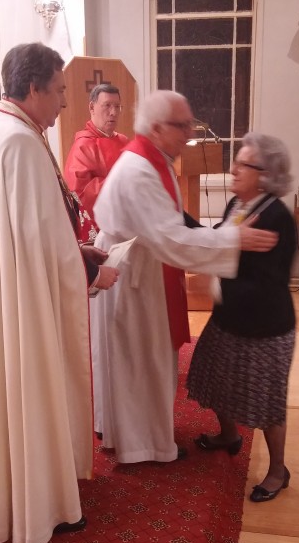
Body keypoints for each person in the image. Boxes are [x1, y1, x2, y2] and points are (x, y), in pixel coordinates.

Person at [0, 42, 118, 543]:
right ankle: (41, 508)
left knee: (10, 394)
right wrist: (90, 272)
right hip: (27, 300)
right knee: (34, 390)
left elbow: (30, 231)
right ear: (33, 88)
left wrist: (76, 250)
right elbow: (41, 243)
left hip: (8, 291)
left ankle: (12, 499)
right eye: (57, 91)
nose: (63, 102)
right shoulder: (22, 143)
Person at [90, 90, 279, 465]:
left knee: (139, 361)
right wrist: (232, 239)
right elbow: (170, 238)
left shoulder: (152, 158)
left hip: (141, 264)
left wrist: (218, 236)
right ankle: (143, 445)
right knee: (141, 363)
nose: (189, 133)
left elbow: (173, 222)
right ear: (157, 128)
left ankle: (132, 435)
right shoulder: (141, 169)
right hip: (135, 275)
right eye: (182, 125)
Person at [187, 133, 297, 503]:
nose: (233, 169)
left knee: (267, 402)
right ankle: (229, 435)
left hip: (265, 327)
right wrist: (178, 221)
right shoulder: (238, 204)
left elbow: (266, 282)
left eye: (243, 164)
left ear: (265, 175)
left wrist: (215, 279)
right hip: (229, 318)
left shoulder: (276, 217)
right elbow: (219, 241)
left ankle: (278, 470)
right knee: (213, 377)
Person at [64, 83, 128, 243]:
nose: (113, 112)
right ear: (92, 107)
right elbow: (79, 195)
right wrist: (123, 183)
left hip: (128, 224)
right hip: (102, 232)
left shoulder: (124, 141)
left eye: (117, 106)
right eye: (107, 105)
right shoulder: (83, 146)